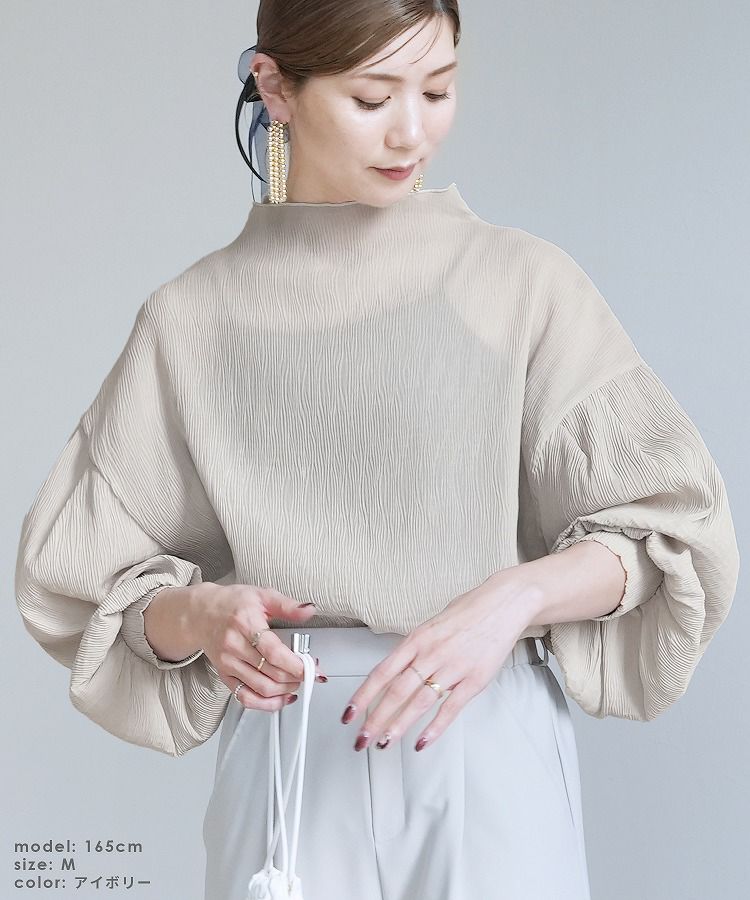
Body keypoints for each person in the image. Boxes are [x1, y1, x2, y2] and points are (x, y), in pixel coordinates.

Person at [14, 2, 739, 899]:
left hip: (483, 737)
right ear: (275, 86)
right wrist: (200, 618)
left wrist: (513, 600)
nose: (412, 132)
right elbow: (79, 583)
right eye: (372, 98)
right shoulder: (190, 319)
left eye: (438, 90)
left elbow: (672, 528)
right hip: (288, 758)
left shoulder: (521, 284)